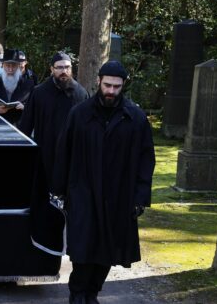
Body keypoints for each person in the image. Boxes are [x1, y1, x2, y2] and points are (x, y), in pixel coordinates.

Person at [52, 61, 155, 304]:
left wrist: (140, 197)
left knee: (109, 249)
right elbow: (63, 152)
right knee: (84, 248)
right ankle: (78, 294)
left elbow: (145, 159)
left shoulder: (135, 118)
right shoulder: (80, 114)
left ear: (123, 86)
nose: (111, 91)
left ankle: (92, 293)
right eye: (107, 85)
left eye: (116, 87)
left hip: (119, 195)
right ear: (99, 82)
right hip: (83, 191)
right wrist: (59, 190)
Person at [19, 52, 88, 176]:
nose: (64, 71)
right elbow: (26, 124)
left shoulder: (81, 94)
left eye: (67, 67)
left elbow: (86, 128)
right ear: (52, 69)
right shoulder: (38, 93)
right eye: (59, 67)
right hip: (44, 153)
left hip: (70, 155)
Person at [0, 49, 34, 124]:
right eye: (8, 65)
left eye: (14, 66)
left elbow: (36, 106)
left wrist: (24, 107)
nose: (10, 69)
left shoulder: (27, 84)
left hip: (20, 126)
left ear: (18, 66)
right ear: (3, 65)